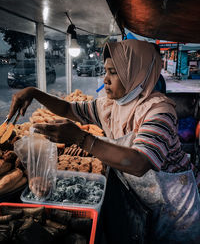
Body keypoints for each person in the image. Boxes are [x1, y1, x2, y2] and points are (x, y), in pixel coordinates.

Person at [8, 39, 200, 243]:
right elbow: (67, 109)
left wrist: (80, 139)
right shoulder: (110, 106)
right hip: (145, 201)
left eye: (114, 72)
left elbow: (139, 163)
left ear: (135, 72)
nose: (105, 79)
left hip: (176, 209)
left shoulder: (159, 111)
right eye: (105, 71)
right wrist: (35, 93)